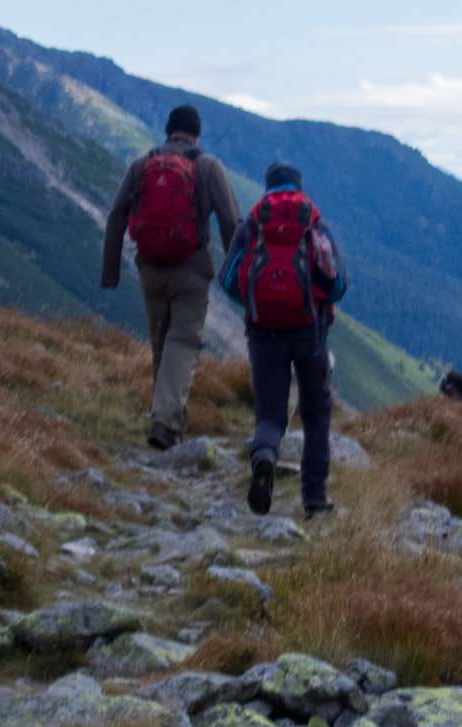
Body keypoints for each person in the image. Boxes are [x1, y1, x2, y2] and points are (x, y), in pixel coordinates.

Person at [101, 105, 241, 451]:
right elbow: (230, 222)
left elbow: (117, 216)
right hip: (191, 271)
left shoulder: (141, 165)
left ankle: (169, 424)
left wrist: (111, 273)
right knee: (184, 341)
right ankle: (164, 422)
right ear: (196, 134)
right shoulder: (208, 167)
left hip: (149, 270)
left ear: (167, 130)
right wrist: (235, 273)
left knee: (161, 341)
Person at [222, 163, 348, 518]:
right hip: (310, 333)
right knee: (316, 415)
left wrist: (256, 304)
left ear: (267, 187)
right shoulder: (315, 224)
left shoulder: (252, 224)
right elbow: (339, 285)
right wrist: (316, 299)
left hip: (263, 334)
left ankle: (264, 457)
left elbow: (229, 279)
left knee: (271, 415)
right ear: (299, 186)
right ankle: (314, 500)